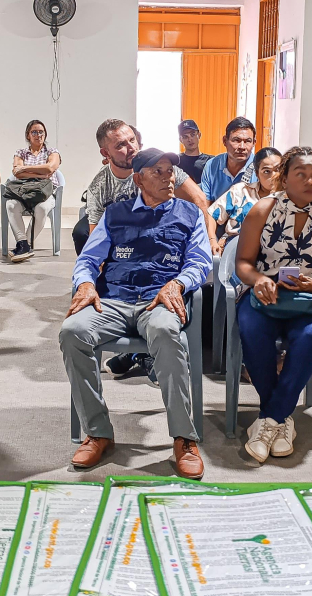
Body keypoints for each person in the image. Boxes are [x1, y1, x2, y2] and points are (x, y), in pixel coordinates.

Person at [60, 148, 212, 478]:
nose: (167, 177)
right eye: (157, 171)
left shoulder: (189, 213)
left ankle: (184, 439)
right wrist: (85, 284)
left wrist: (179, 284)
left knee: (166, 333)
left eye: (169, 170)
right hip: (113, 300)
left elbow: (200, 262)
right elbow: (88, 259)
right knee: (72, 332)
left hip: (159, 300)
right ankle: (98, 432)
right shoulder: (116, 214)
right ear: (139, 178)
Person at [235, 146, 312, 462]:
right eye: (300, 174)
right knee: (251, 327)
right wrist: (258, 279)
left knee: (308, 337)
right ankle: (282, 419)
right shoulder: (263, 209)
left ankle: (270, 419)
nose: (310, 180)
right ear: (283, 178)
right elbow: (243, 263)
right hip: (267, 295)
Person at [72, 119, 219, 257]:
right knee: (81, 233)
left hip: (157, 232)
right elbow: (95, 236)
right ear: (106, 153)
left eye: (132, 140)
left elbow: (198, 197)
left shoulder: (161, 166)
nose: (131, 148)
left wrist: (208, 240)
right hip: (122, 237)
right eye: (120, 145)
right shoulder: (99, 186)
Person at [7, 119, 62, 263]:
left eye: (41, 132)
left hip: (46, 191)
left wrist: (25, 168)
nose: (39, 135)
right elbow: (17, 174)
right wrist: (40, 174)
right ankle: (23, 243)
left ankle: (25, 244)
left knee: (42, 208)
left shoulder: (52, 151)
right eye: (34, 132)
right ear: (28, 135)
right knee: (11, 205)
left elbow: (50, 168)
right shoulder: (21, 152)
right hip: (24, 190)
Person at [208, 147, 281, 248]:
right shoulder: (240, 191)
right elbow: (211, 215)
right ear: (257, 174)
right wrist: (212, 241)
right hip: (236, 247)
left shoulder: (290, 197)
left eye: (278, 170)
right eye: (266, 171)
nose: (273, 175)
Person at [200, 117, 257, 204]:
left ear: (254, 143)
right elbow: (206, 204)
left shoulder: (261, 168)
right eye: (236, 140)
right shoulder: (211, 165)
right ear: (224, 141)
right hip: (215, 216)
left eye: (247, 141)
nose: (242, 147)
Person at [177, 119, 211, 184]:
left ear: (199, 135)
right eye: (185, 136)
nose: (190, 139)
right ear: (181, 139)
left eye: (192, 134)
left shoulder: (210, 161)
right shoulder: (176, 161)